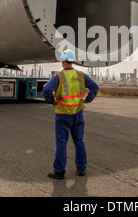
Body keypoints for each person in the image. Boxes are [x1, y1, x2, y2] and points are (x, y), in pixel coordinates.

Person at [43, 49, 99, 179]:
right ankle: (81, 169)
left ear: (63, 61)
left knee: (61, 142)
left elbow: (46, 89)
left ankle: (59, 171)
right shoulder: (81, 75)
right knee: (79, 140)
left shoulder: (59, 76)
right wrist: (87, 99)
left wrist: (51, 101)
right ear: (72, 61)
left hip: (63, 113)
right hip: (78, 113)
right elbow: (95, 87)